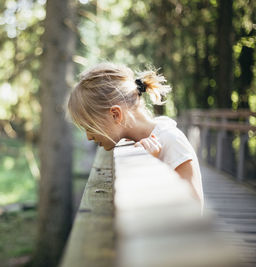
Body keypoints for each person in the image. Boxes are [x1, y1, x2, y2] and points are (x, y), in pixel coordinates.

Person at [67, 62, 204, 210]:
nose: (88, 137)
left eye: (90, 127)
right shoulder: (133, 142)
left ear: (115, 114)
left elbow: (195, 208)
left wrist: (151, 167)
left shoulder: (171, 140)